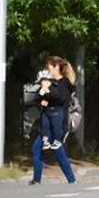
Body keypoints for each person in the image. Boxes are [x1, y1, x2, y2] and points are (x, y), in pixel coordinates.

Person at [28, 56, 76, 185]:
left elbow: (61, 99)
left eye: (49, 66)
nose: (47, 69)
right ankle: (37, 180)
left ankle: (72, 180)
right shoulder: (47, 82)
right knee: (36, 148)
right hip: (46, 123)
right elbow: (37, 98)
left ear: (56, 67)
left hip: (58, 122)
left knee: (58, 150)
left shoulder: (65, 83)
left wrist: (47, 92)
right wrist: (41, 100)